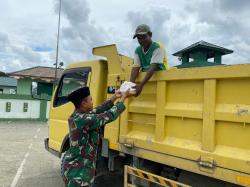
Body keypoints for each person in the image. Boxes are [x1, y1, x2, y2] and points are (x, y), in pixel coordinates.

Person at [62, 87, 132, 187]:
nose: (92, 102)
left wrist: (115, 97)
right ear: (83, 103)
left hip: (78, 168)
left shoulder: (78, 115)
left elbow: (98, 109)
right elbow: (109, 115)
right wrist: (123, 98)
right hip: (78, 174)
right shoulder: (83, 119)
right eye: (90, 99)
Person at [130, 24, 168, 96]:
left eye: (144, 37)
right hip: (146, 79)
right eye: (138, 38)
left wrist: (140, 86)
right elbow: (135, 67)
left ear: (150, 35)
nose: (141, 40)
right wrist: (130, 85)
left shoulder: (157, 47)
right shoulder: (137, 50)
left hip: (160, 78)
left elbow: (153, 67)